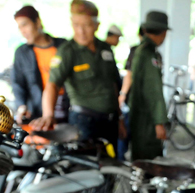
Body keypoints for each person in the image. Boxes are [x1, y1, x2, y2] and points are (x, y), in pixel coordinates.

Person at [31, 0, 125, 152]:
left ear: (96, 25)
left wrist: (120, 118)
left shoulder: (105, 49)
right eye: (76, 25)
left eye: (86, 25)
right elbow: (53, 85)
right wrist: (48, 114)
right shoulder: (67, 51)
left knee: (111, 167)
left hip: (110, 121)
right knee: (86, 169)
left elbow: (113, 86)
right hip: (84, 121)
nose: (81, 31)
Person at [11, 5, 68, 125]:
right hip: (38, 110)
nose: (23, 31)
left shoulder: (63, 46)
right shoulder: (22, 53)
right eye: (19, 27)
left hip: (67, 107)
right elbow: (18, 83)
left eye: (25, 24)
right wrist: (22, 106)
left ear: (37, 22)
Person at [128, 11, 170, 160]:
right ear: (163, 33)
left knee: (140, 154)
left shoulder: (141, 50)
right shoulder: (148, 54)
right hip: (146, 118)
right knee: (148, 158)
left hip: (139, 114)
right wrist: (159, 122)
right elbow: (154, 90)